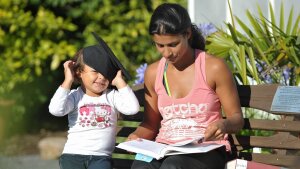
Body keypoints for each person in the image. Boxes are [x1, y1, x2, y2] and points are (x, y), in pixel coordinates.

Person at [128, 3, 244, 169]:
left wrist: (223, 124)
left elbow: (237, 119)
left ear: (188, 34)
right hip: (163, 148)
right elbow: (151, 124)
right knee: (140, 166)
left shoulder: (213, 67)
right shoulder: (153, 72)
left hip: (206, 150)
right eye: (160, 45)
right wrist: (136, 136)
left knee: (173, 166)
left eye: (173, 44)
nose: (167, 53)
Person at [49, 33, 140, 169]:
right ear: (79, 72)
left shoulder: (112, 96)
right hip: (72, 156)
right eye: (96, 71)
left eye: (106, 72)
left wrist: (119, 81)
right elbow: (56, 110)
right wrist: (68, 80)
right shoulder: (75, 97)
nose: (102, 77)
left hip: (101, 158)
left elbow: (132, 108)